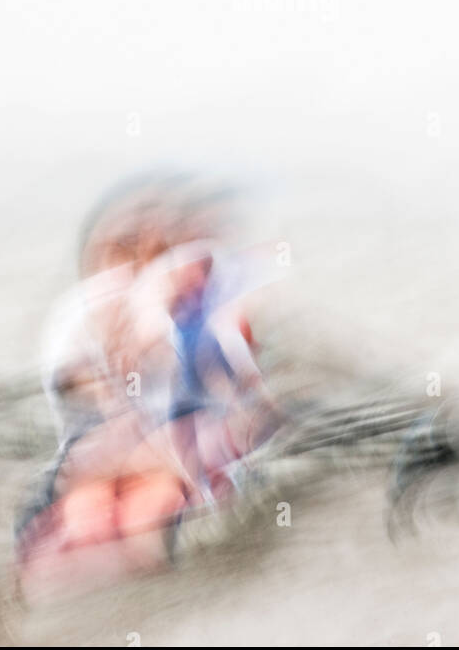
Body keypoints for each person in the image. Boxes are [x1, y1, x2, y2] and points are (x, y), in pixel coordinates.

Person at [15, 187, 281, 600]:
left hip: (107, 448)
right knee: (157, 488)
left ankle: (79, 560)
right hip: (143, 448)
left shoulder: (93, 309)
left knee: (113, 494)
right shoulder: (155, 308)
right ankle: (135, 562)